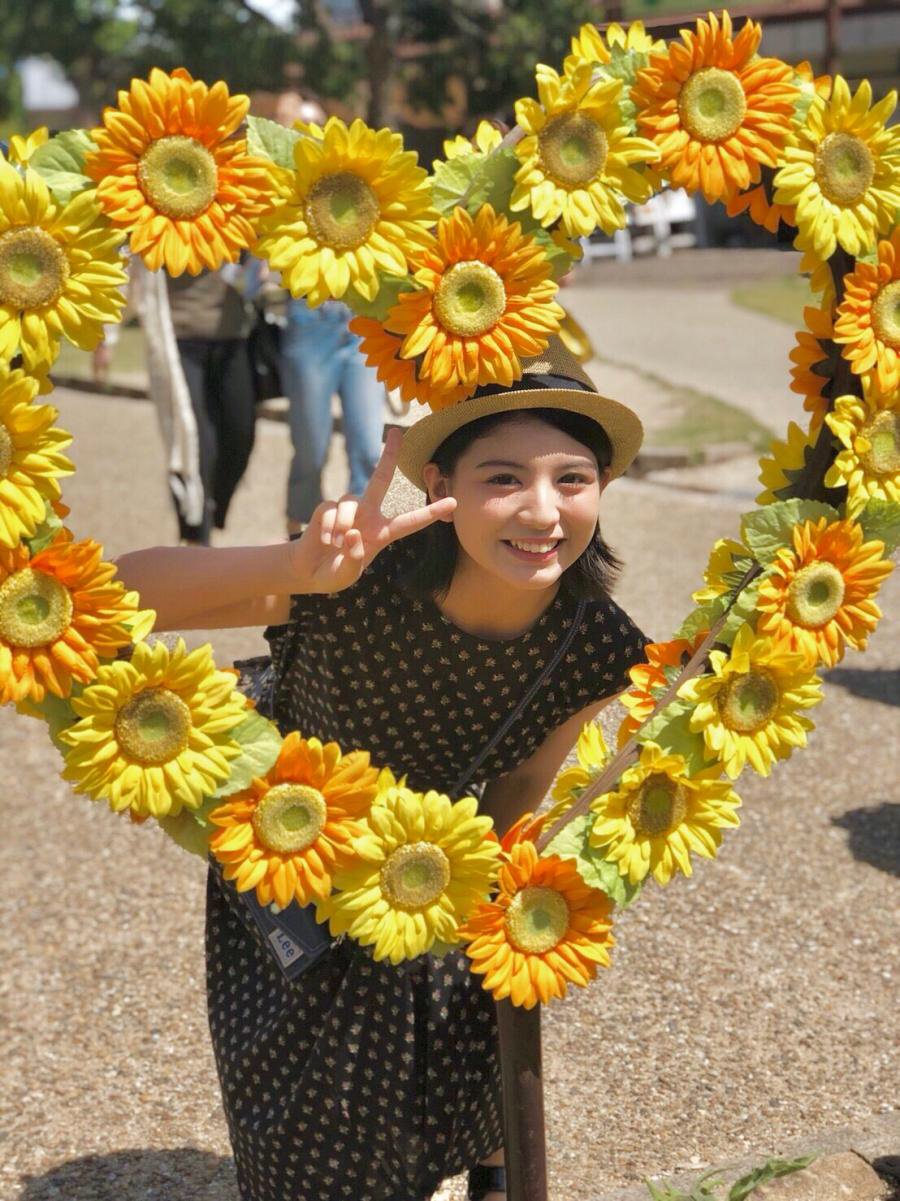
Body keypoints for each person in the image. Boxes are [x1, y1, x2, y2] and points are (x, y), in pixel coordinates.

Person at [115, 340, 650, 1201]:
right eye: (503, 478)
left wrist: (500, 914)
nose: (542, 510)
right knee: (301, 1112)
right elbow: (118, 595)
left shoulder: (597, 641)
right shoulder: (360, 575)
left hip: (432, 863)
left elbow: (518, 790)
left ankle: (476, 1154)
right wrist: (291, 568)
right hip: (292, 844)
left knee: (453, 1085)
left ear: (604, 488)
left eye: (573, 478)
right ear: (440, 487)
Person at [167, 266, 258, 545]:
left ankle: (213, 505)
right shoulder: (160, 223)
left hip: (233, 338)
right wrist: (108, 339)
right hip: (180, 339)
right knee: (195, 442)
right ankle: (196, 533)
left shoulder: (238, 222)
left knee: (241, 434)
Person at [281, 295, 387, 535]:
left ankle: (361, 535)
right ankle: (300, 529)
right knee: (311, 451)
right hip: (310, 320)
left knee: (368, 449)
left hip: (366, 319)